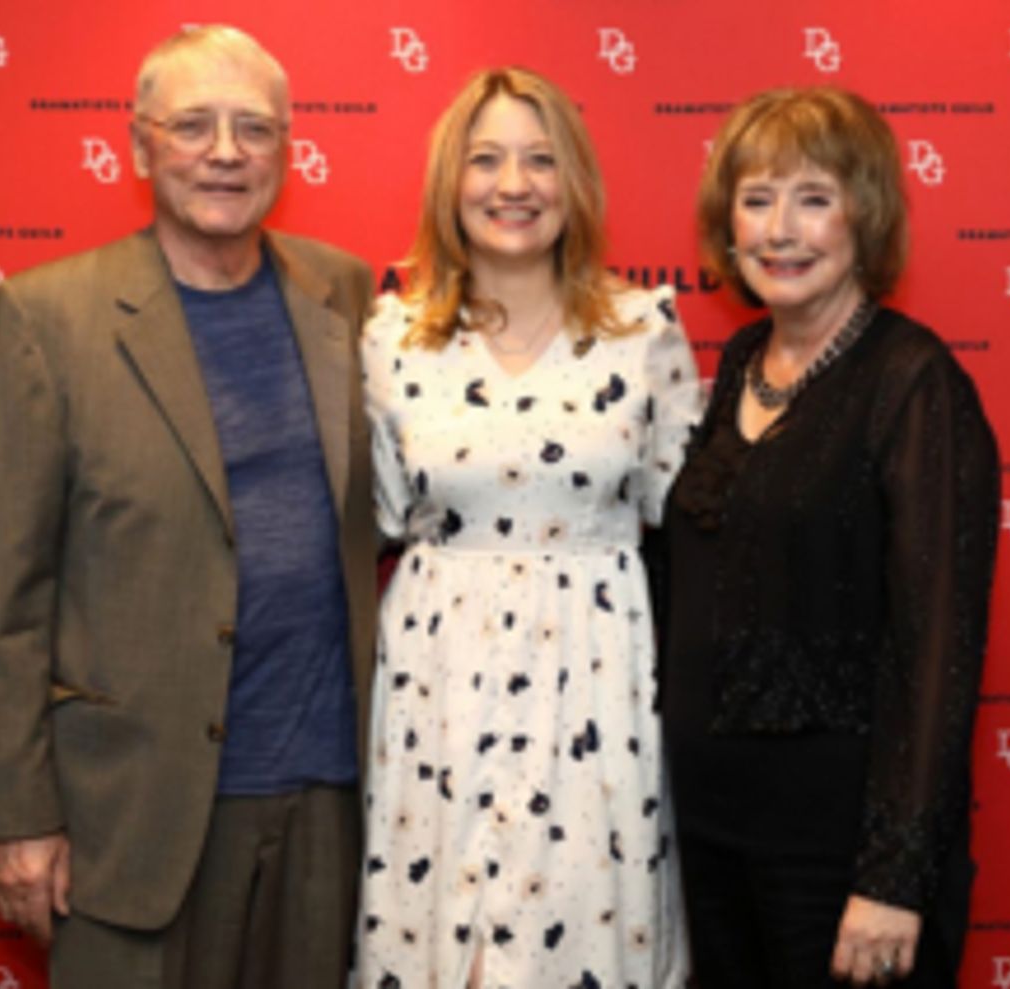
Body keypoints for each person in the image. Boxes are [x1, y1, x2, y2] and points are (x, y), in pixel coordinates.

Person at [0, 25, 376, 988]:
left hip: (327, 795)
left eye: (254, 128)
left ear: (289, 147)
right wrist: (20, 814)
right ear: (141, 144)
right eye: (194, 125)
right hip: (131, 815)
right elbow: (8, 599)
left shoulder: (347, 293)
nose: (226, 152)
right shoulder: (47, 317)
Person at [352, 67, 699, 988]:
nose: (515, 184)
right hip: (440, 690)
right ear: (448, 181)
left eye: (541, 160)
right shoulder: (392, 336)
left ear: (575, 180)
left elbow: (691, 518)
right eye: (488, 159)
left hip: (597, 687)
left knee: (586, 938)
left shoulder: (644, 329)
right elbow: (383, 512)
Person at [661, 86, 1000, 987]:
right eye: (757, 197)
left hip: (839, 857)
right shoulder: (740, 361)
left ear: (866, 216)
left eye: (814, 198)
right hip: (711, 836)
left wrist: (894, 878)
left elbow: (938, 653)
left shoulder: (913, 384)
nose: (781, 228)